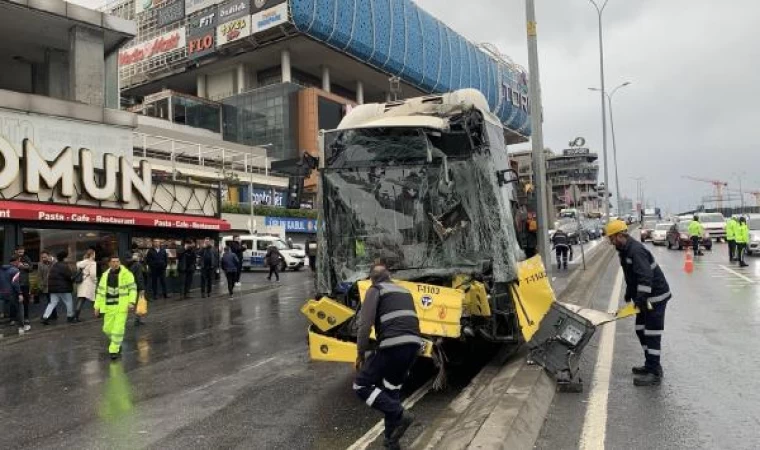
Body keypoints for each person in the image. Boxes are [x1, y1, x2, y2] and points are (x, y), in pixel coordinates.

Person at [354, 261, 421, 450]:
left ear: (372, 279)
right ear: (389, 276)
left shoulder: (375, 290)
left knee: (361, 384)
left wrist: (361, 353)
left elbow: (365, 325)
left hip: (393, 346)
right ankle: (391, 442)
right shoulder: (404, 291)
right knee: (391, 390)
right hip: (413, 346)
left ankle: (400, 415)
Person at [605, 220, 671, 386]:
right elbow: (632, 276)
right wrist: (630, 292)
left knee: (651, 333)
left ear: (620, 235)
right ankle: (651, 364)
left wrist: (640, 298)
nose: (611, 242)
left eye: (612, 238)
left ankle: (654, 372)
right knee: (640, 330)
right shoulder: (624, 250)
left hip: (655, 297)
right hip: (645, 299)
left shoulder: (635, 250)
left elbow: (645, 276)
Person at [94, 256, 137, 360]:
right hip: (108, 306)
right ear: (109, 263)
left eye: (117, 261)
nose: (115, 263)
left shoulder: (127, 274)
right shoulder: (105, 275)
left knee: (118, 329)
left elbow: (132, 289)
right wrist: (97, 306)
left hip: (121, 306)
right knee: (107, 329)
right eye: (113, 261)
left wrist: (131, 301)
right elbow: (100, 292)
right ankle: (116, 342)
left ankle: (114, 349)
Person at [43, 251, 75, 325]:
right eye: (67, 257)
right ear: (64, 258)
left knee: (52, 303)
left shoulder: (55, 265)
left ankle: (45, 317)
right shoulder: (64, 266)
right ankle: (70, 317)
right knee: (69, 302)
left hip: (53, 288)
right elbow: (69, 276)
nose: (68, 259)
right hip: (63, 288)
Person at [1, 256, 27, 334]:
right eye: (18, 262)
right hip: (12, 293)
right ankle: (21, 327)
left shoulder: (1, 269)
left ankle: (10, 322)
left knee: (6, 308)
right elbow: (15, 283)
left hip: (2, 293)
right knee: (20, 307)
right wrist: (20, 293)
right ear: (15, 262)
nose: (19, 263)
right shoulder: (15, 270)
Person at [74, 249, 98, 322]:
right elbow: (93, 274)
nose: (95, 255)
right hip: (88, 283)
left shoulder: (82, 262)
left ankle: (76, 316)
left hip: (82, 283)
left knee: (81, 299)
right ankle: (98, 312)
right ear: (92, 254)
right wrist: (96, 281)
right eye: (94, 254)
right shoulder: (92, 263)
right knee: (94, 298)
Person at [12, 246, 32, 327]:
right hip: (15, 283)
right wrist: (16, 265)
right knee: (14, 301)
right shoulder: (13, 258)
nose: (21, 254)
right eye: (20, 252)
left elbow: (31, 269)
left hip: (24, 283)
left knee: (25, 301)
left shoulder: (26, 258)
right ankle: (13, 318)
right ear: (16, 251)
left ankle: (26, 317)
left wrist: (24, 266)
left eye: (22, 252)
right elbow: (9, 268)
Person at [129, 253, 147, 325]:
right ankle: (137, 319)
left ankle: (138, 319)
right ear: (139, 258)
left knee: (137, 303)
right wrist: (141, 288)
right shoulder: (138, 265)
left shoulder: (132, 265)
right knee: (140, 303)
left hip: (133, 286)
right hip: (138, 286)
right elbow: (139, 277)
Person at [38, 251, 54, 320]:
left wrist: (51, 261)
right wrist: (40, 286)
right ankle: (53, 315)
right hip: (45, 286)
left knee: (52, 301)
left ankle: (49, 315)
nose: (43, 258)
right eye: (42, 257)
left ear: (48, 256)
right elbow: (40, 276)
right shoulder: (40, 264)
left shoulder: (53, 262)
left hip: (54, 285)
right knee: (50, 301)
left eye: (45, 257)